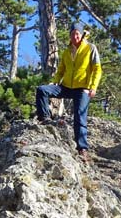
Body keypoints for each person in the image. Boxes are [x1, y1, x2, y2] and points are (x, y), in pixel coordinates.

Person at [35, 21, 102, 162]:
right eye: (72, 34)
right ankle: (45, 119)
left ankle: (82, 149)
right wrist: (55, 81)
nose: (74, 37)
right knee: (42, 90)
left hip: (82, 88)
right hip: (66, 86)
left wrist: (93, 87)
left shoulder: (90, 48)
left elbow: (97, 69)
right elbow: (61, 70)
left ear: (82, 34)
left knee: (79, 116)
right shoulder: (67, 51)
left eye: (77, 34)